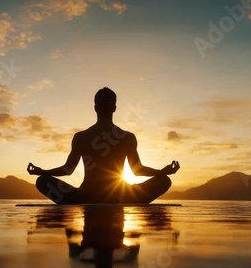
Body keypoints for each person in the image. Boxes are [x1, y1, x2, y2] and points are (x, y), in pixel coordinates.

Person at [27, 87, 180, 204]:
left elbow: (68, 170)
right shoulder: (127, 137)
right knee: (164, 180)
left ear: (95, 108)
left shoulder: (81, 137)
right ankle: (132, 199)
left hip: (86, 196)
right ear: (114, 108)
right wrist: (162, 172)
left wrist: (42, 172)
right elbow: (137, 170)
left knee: (42, 181)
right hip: (121, 196)